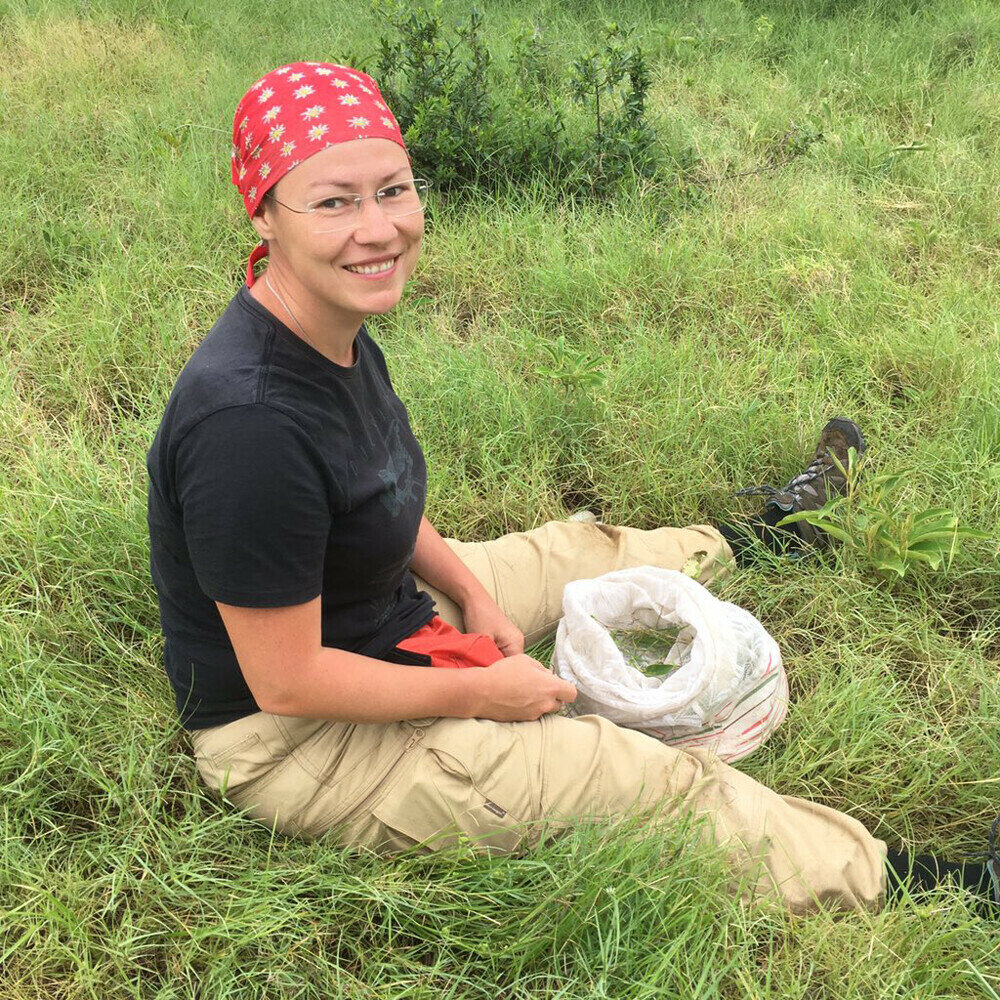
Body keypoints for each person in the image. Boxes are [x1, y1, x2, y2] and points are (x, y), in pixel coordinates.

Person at [146, 61, 998, 915]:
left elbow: (379, 497)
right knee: (642, 780)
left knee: (575, 553)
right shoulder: (247, 426)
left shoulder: (332, 324)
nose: (377, 229)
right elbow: (287, 682)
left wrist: (472, 595)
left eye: (393, 191)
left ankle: (768, 535)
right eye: (333, 201)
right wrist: (482, 691)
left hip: (374, 607)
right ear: (264, 212)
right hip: (302, 738)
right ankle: (938, 890)